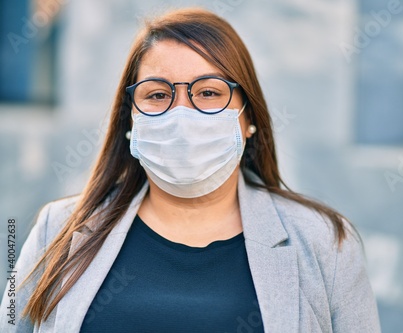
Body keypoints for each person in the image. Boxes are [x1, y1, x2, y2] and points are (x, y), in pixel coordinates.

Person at [0, 7, 381, 333]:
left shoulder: (323, 242)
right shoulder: (58, 229)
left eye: (209, 93)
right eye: (158, 94)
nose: (182, 113)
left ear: (249, 118)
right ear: (130, 118)